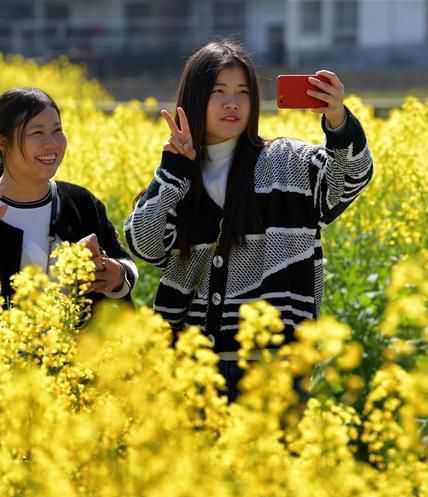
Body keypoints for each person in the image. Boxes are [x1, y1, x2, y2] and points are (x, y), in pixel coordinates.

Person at [124, 40, 374, 401]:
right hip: (191, 367)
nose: (233, 103)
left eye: (243, 92)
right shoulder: (180, 175)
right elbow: (145, 245)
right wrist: (171, 172)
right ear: (195, 98)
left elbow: (348, 178)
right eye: (219, 92)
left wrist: (338, 121)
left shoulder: (286, 161)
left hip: (275, 367)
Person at [0, 87, 138, 332]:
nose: (52, 144)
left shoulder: (80, 204)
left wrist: (116, 276)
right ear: (2, 142)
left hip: (74, 362)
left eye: (57, 130)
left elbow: (125, 263)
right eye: (37, 133)